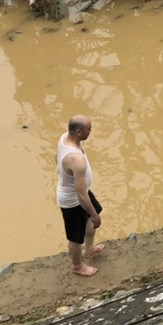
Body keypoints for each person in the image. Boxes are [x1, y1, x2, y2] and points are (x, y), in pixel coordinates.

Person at [56, 114, 104, 276]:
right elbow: (81, 194)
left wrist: (94, 214)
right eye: (88, 129)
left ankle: (89, 249)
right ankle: (78, 266)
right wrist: (93, 214)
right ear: (77, 132)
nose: (91, 131)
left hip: (80, 191)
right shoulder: (75, 159)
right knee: (76, 238)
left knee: (93, 217)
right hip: (73, 200)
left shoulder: (65, 137)